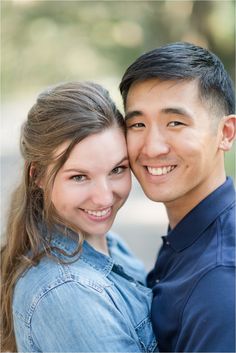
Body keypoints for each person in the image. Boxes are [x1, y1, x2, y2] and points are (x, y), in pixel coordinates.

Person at [1, 81, 158, 352]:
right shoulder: (67, 291)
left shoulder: (109, 244)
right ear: (37, 175)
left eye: (117, 170)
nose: (105, 197)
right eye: (79, 177)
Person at [119, 42, 235, 352]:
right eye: (138, 124)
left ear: (226, 134)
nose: (153, 147)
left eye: (175, 123)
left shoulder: (219, 282)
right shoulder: (189, 234)